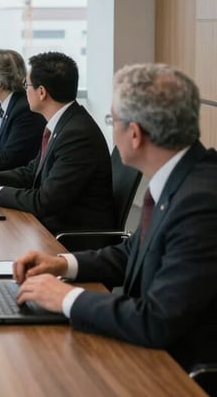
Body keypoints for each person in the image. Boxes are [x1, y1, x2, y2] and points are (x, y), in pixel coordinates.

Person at [13, 63, 217, 371]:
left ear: (134, 133)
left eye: (113, 120)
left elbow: (157, 319)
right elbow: (133, 252)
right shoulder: (182, 179)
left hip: (174, 372)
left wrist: (67, 298)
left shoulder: (200, 201)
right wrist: (63, 264)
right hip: (147, 349)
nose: (111, 128)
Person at [0, 51, 113, 234]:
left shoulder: (77, 135)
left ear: (42, 92)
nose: (23, 90)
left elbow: (44, 201)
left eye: (26, 84)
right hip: (49, 225)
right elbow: (32, 172)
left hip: (68, 237)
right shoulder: (64, 124)